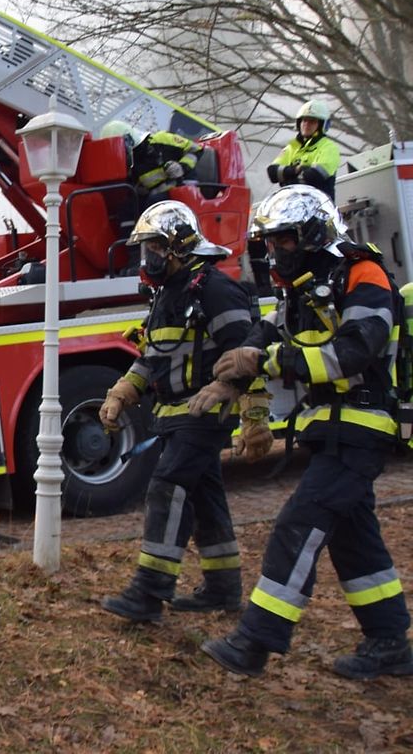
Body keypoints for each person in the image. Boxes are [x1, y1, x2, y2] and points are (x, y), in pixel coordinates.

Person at [201, 184, 413, 679]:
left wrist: (270, 360)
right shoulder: (305, 287)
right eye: (271, 242)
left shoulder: (364, 275)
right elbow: (270, 329)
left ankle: (255, 639)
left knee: (299, 525)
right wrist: (234, 377)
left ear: (314, 235)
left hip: (361, 427)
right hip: (334, 429)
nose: (276, 251)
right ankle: (389, 642)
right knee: (353, 538)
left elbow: (352, 353)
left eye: (286, 240)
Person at [97, 201, 267, 623]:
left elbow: (249, 353)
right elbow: (153, 357)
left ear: (177, 246)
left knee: (167, 485)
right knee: (206, 499)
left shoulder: (214, 288)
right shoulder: (167, 295)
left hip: (204, 412)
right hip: (175, 415)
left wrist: (255, 418)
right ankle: (223, 588)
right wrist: (122, 391)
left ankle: (149, 593)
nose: (147, 257)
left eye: (153, 246)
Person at [98, 120, 205, 206]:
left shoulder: (161, 139)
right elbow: (138, 188)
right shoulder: (131, 161)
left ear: (128, 139)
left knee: (152, 202)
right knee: (127, 208)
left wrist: (182, 167)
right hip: (160, 199)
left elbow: (196, 149)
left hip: (185, 189)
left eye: (120, 145)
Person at [266, 99, 341, 200]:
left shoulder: (329, 147)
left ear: (321, 126)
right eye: (304, 120)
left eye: (312, 121)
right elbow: (272, 173)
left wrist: (287, 177)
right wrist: (297, 170)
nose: (306, 124)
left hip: (318, 208)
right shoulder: (292, 147)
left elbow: (315, 177)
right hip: (289, 207)